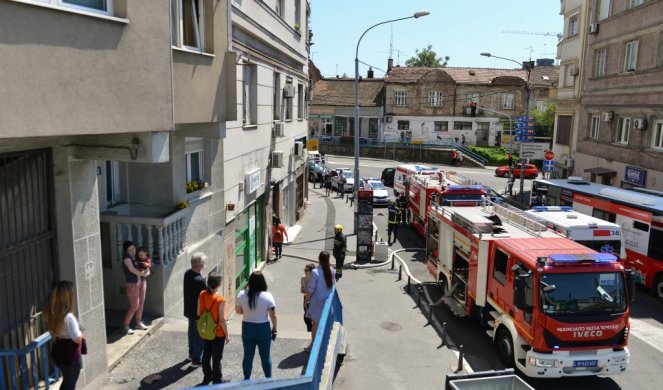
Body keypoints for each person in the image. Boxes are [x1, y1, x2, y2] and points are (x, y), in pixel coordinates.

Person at [235, 271, 277, 380]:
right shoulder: (268, 296)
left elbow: (238, 311)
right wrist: (274, 328)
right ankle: (268, 378)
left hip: (247, 328)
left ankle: (246, 379)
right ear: (263, 282)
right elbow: (273, 315)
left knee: (248, 356)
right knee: (265, 356)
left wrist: (249, 312)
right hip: (263, 328)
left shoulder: (241, 294)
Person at [44, 281, 84, 390]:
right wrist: (81, 332)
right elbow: (77, 339)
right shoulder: (69, 317)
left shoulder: (53, 313)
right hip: (70, 356)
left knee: (66, 382)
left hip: (59, 353)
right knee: (70, 384)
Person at [197, 272, 230, 385]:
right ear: (218, 284)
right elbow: (222, 320)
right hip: (218, 332)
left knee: (206, 355)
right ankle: (217, 380)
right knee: (217, 358)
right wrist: (227, 335)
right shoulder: (220, 300)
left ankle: (207, 376)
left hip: (206, 330)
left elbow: (198, 312)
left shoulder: (202, 294)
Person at [305, 251, 336, 350]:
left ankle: (314, 345)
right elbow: (333, 287)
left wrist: (306, 301)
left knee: (315, 325)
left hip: (316, 302)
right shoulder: (332, 271)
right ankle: (324, 345)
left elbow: (311, 289)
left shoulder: (315, 272)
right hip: (327, 303)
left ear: (319, 259)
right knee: (326, 325)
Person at [184, 252, 207, 367]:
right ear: (200, 265)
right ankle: (196, 360)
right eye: (204, 262)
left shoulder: (187, 273)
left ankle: (191, 354)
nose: (205, 264)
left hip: (189, 310)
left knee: (191, 332)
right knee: (199, 336)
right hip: (198, 312)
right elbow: (204, 298)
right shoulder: (200, 281)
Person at [121, 241, 149, 335]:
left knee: (141, 304)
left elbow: (146, 263)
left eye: (133, 248)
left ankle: (138, 323)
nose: (132, 251)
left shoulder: (137, 256)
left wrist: (147, 272)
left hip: (142, 281)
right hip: (132, 284)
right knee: (134, 306)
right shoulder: (126, 259)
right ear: (126, 251)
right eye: (129, 250)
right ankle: (125, 326)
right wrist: (143, 274)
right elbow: (132, 270)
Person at [301, 264, 315, 337]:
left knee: (311, 317)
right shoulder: (303, 278)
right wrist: (309, 292)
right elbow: (302, 290)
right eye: (304, 270)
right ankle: (309, 332)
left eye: (307, 270)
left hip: (313, 299)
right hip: (306, 298)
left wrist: (308, 291)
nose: (305, 271)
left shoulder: (315, 279)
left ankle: (312, 333)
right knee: (307, 317)